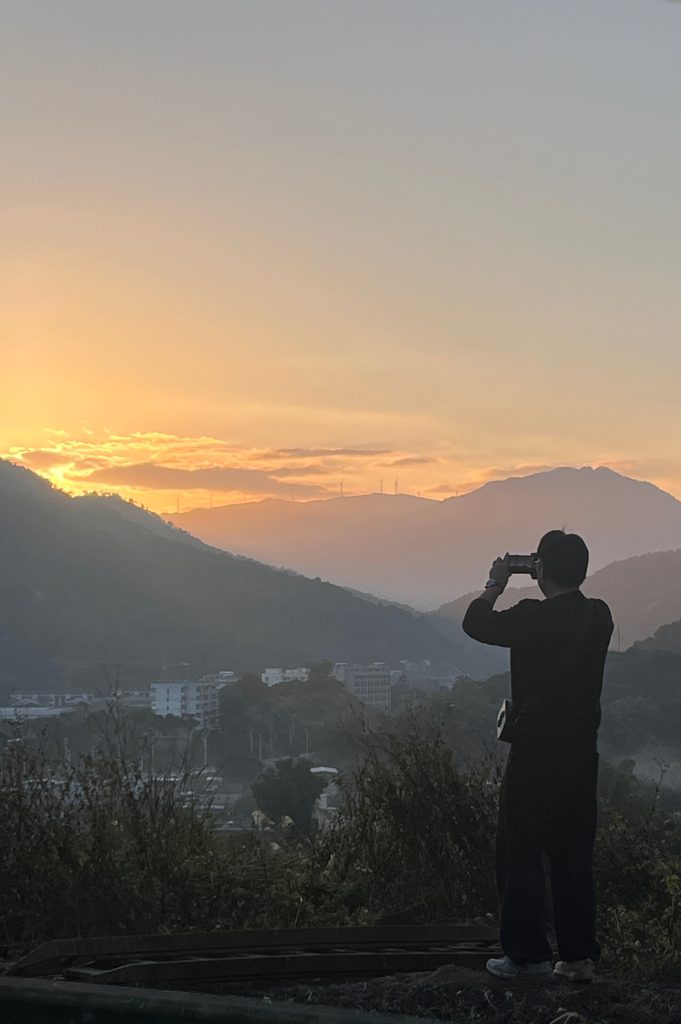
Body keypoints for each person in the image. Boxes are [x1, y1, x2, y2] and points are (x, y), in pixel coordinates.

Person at [462, 530, 613, 983]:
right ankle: (578, 957)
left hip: (535, 755)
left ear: (540, 568)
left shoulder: (531, 617)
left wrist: (496, 582)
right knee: (573, 856)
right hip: (581, 756)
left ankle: (529, 957)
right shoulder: (599, 615)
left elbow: (475, 623)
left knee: (521, 853)